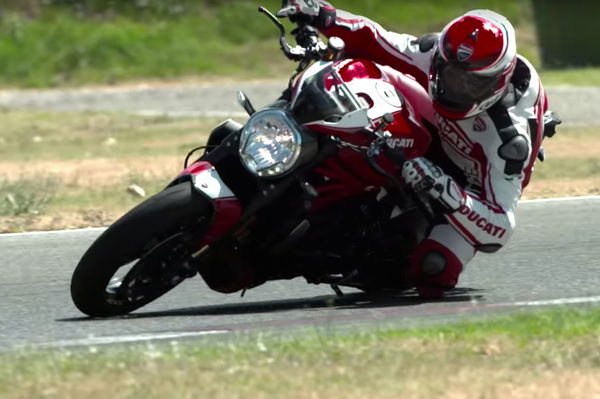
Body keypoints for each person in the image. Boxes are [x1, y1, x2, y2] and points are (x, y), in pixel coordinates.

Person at [278, 1, 560, 297]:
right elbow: (375, 38)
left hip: (469, 184)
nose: (454, 87)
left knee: (433, 269)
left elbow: (500, 227)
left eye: (469, 85)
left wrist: (444, 188)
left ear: (496, 84)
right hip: (434, 126)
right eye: (448, 73)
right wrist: (324, 15)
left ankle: (369, 255)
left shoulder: (509, 139)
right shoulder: (436, 53)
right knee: (354, 74)